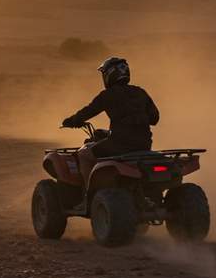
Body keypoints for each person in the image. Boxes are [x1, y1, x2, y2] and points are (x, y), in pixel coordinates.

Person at [61, 56, 160, 201]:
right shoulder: (140, 92)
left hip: (119, 145)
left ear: (109, 75)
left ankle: (89, 194)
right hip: (144, 144)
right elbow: (155, 119)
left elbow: (88, 111)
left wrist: (71, 121)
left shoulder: (108, 95)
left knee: (84, 155)